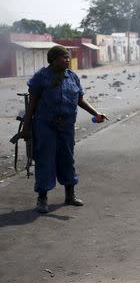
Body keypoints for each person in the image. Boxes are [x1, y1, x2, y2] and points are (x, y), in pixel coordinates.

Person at [22, 46, 108, 213]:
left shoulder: (72, 77)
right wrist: (26, 128)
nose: (67, 60)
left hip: (66, 126)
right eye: (64, 57)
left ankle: (70, 195)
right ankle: (42, 198)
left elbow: (80, 100)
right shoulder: (41, 77)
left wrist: (96, 113)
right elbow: (31, 105)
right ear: (53, 59)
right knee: (44, 161)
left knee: (67, 159)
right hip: (45, 125)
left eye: (68, 57)